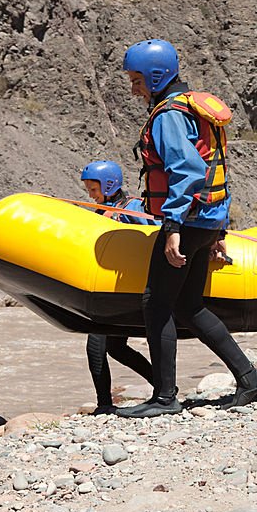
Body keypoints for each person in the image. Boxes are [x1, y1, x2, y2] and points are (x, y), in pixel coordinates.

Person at [115, 39, 257, 417]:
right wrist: (218, 230)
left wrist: (172, 226)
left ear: (155, 76)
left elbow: (189, 171)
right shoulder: (194, 109)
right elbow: (217, 169)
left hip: (187, 221)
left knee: (157, 303)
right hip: (206, 221)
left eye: (136, 80)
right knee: (188, 304)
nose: (133, 88)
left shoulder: (169, 115)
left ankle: (165, 397)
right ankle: (248, 376)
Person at [80, 160, 157, 414]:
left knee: (97, 345)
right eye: (89, 190)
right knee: (115, 347)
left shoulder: (133, 208)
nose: (90, 195)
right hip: (109, 289)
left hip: (127, 290)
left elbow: (155, 235)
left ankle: (104, 405)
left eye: (93, 189)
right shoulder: (100, 211)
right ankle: (164, 387)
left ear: (109, 185)